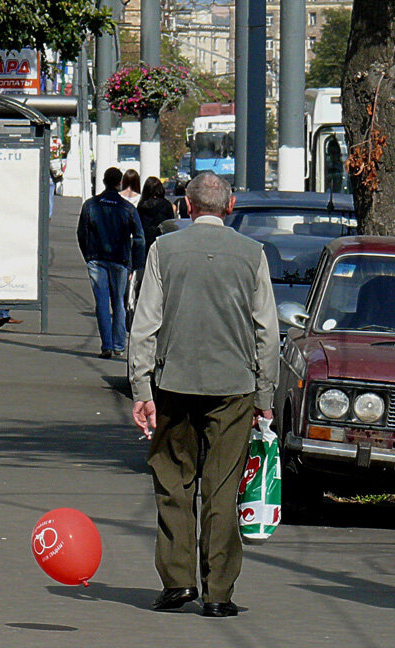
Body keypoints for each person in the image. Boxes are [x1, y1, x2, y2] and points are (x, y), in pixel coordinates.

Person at [128, 171, 280, 618]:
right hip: (234, 388)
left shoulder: (164, 250)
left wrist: (141, 386)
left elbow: (145, 324)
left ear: (187, 207)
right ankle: (218, 592)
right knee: (222, 487)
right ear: (229, 207)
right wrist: (264, 396)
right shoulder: (253, 255)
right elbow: (266, 333)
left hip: (173, 383)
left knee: (174, 481)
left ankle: (177, 581)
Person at [77, 166, 144, 359]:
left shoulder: (90, 205)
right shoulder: (127, 208)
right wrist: (135, 263)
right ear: (119, 183)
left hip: (96, 259)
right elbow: (139, 237)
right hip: (120, 260)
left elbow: (82, 234)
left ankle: (106, 344)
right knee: (119, 303)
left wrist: (88, 255)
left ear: (104, 182)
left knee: (102, 303)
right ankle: (119, 344)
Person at [136, 176, 177, 254]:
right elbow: (171, 225)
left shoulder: (142, 206)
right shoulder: (166, 204)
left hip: (146, 242)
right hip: (163, 242)